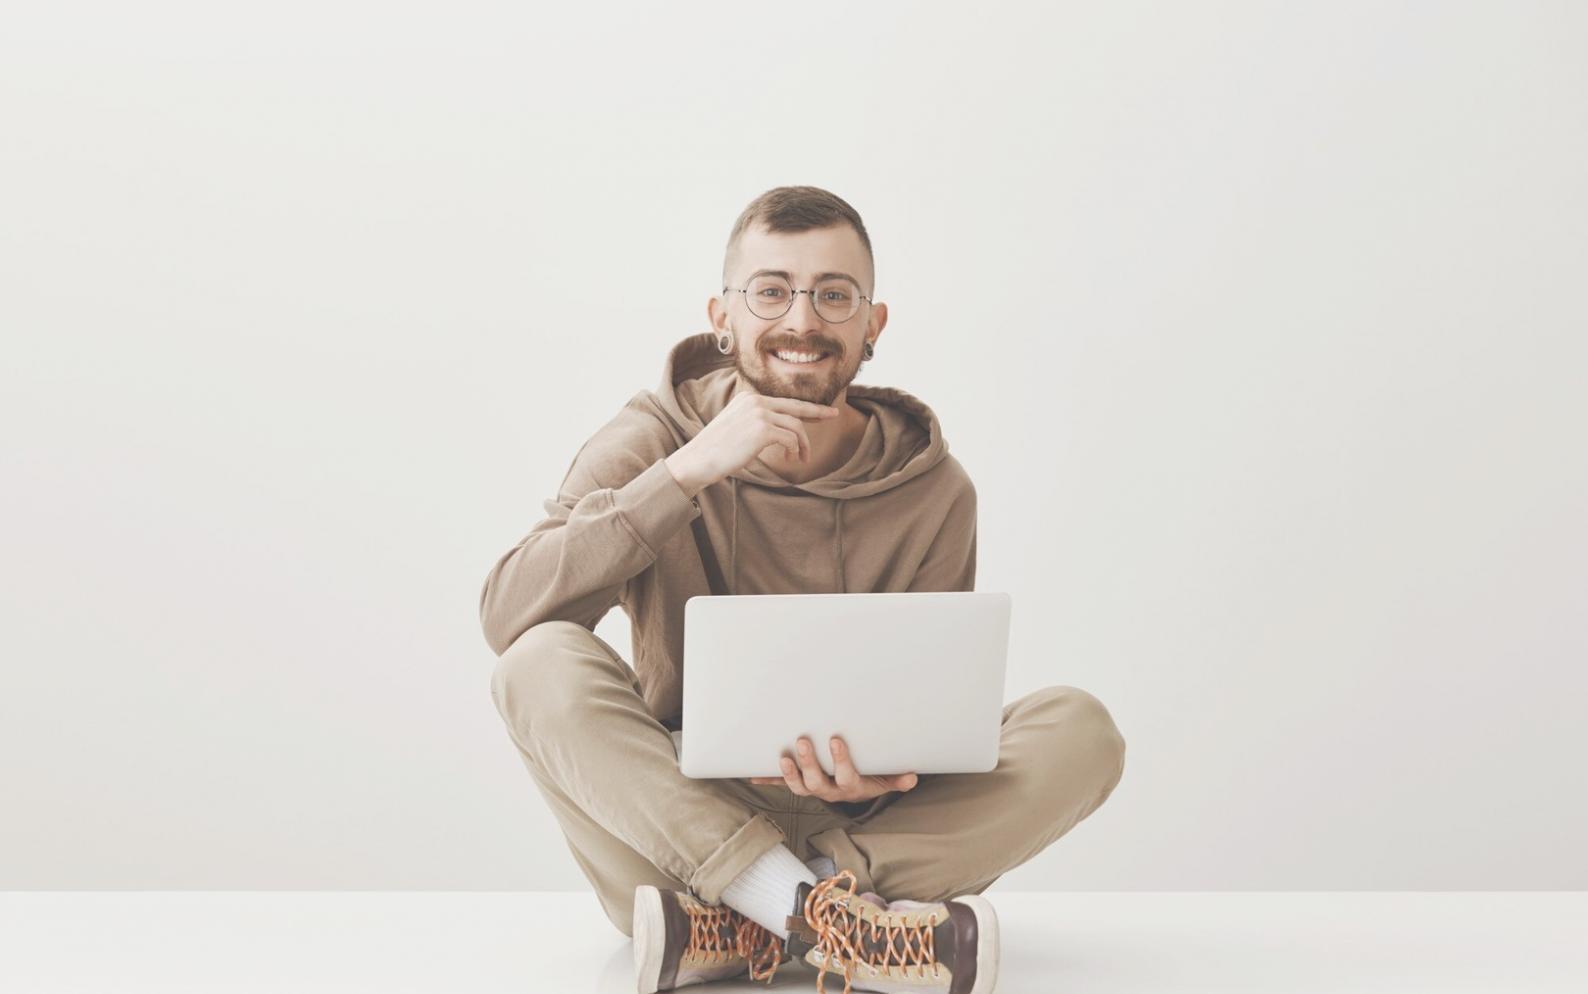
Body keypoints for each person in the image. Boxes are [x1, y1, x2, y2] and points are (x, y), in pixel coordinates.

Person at [482, 185, 1127, 994]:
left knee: (1081, 729)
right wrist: (684, 474)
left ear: (871, 326)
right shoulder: (655, 438)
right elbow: (508, 613)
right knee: (536, 660)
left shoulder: (935, 489)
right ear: (722, 317)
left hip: (861, 829)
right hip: (679, 824)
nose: (802, 320)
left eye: (833, 295)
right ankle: (832, 921)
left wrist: (888, 775)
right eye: (771, 291)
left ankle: (744, 923)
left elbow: (932, 699)